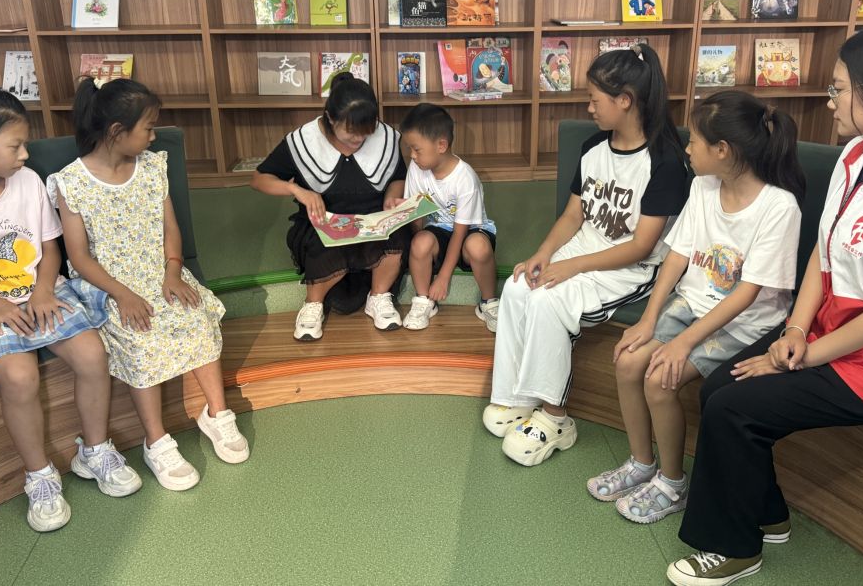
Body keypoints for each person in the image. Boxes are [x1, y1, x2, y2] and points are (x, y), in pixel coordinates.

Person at [666, 19, 863, 585]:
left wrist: (803, 356)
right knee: (718, 387)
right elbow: (822, 254)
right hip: (822, 335)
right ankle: (768, 514)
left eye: (840, 88)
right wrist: (794, 330)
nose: (830, 100)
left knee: (734, 409)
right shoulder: (855, 155)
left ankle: (733, 549)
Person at [0, 84, 141, 532]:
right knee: (18, 375)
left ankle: (95, 451)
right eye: (14, 146)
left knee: (92, 353)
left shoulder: (28, 182)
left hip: (41, 292)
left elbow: (50, 249)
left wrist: (44, 290)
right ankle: (39, 475)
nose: (25, 155)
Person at [589, 90, 804, 526]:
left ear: (722, 150)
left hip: (744, 322)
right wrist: (648, 320)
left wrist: (682, 344)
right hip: (692, 303)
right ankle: (642, 463)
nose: (687, 148)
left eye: (694, 141)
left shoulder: (779, 207)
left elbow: (746, 294)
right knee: (629, 360)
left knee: (660, 378)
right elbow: (677, 256)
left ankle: (672, 484)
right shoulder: (703, 186)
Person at [483, 43, 689, 466]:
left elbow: (642, 246)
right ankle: (517, 396)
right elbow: (574, 214)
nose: (589, 108)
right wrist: (543, 254)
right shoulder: (595, 147)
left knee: (548, 300)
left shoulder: (664, 161)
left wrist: (569, 267)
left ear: (625, 101)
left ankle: (556, 418)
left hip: (630, 266)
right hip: (585, 249)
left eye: (595, 100)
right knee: (519, 286)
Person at [49, 78, 248, 492]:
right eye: (148, 127)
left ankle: (217, 414)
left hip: (158, 272)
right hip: (109, 285)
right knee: (141, 337)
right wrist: (123, 294)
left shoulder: (153, 167)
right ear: (116, 131)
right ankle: (156, 441)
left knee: (196, 317)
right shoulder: (71, 183)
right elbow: (79, 257)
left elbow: (170, 228)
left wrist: (173, 271)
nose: (154, 136)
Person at [251, 73, 407, 340]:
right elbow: (259, 179)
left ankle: (379, 297)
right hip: (323, 222)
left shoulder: (386, 137)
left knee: (398, 234)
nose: (359, 138)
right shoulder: (304, 141)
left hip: (372, 220)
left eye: (366, 131)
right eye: (351, 132)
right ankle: (312, 305)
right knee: (322, 246)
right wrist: (297, 190)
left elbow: (398, 177)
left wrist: (391, 198)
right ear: (330, 118)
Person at [396, 103, 498, 331]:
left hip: (470, 230)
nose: (412, 156)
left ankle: (488, 302)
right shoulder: (416, 168)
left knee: (478, 247)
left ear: (441, 145)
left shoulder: (465, 178)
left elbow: (460, 233)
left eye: (417, 149)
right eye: (410, 149)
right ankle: (424, 300)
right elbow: (417, 218)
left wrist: (443, 277)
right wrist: (403, 211)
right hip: (439, 229)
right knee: (420, 242)